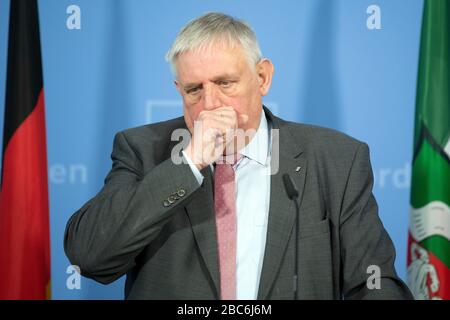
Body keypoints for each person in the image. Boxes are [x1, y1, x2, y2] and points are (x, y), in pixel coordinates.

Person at [64, 12, 413, 300]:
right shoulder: (142, 149)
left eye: (225, 83)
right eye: (194, 89)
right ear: (178, 91)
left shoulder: (336, 159)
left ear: (262, 77)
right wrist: (187, 163)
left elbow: (375, 282)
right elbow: (90, 256)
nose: (210, 103)